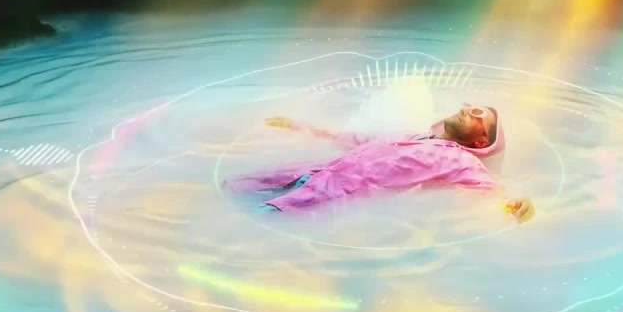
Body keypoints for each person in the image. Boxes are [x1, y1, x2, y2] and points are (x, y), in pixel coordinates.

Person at [226, 104, 536, 223]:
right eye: (470, 106)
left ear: (481, 141)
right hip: (311, 172)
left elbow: (490, 191)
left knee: (254, 220)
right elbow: (354, 138)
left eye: (478, 115)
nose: (467, 109)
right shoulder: (412, 136)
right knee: (230, 191)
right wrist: (298, 126)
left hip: (331, 195)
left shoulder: (462, 161)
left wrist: (516, 206)